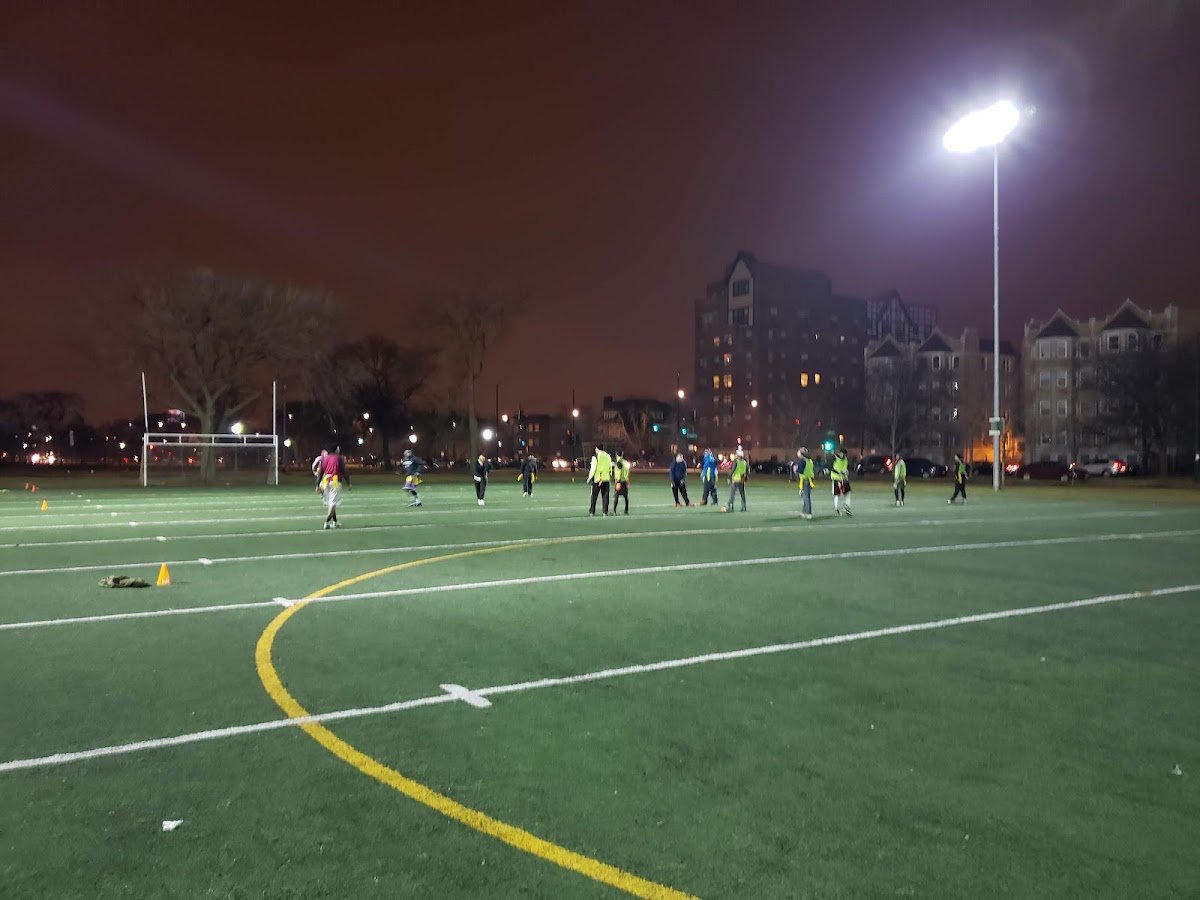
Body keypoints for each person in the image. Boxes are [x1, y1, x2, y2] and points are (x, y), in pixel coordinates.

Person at [315, 445, 349, 529]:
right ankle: (326, 522)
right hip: (335, 480)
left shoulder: (325, 458)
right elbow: (344, 471)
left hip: (325, 480)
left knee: (331, 502)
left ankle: (335, 522)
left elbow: (321, 472)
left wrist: (317, 485)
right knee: (332, 503)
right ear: (336, 450)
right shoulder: (339, 458)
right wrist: (348, 482)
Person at [587, 443, 613, 516]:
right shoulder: (608, 456)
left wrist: (589, 478)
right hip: (606, 478)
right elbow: (610, 467)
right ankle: (605, 512)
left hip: (597, 479)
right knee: (605, 496)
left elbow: (593, 468)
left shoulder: (595, 457)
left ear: (597, 449)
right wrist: (610, 475)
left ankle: (592, 511)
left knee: (594, 496)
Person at [830, 447, 853, 516]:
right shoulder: (834, 458)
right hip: (836, 479)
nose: (844, 455)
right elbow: (830, 467)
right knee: (837, 494)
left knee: (848, 493)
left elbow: (846, 467)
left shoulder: (845, 459)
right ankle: (836, 508)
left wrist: (846, 471)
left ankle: (847, 507)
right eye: (843, 454)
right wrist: (838, 472)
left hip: (844, 478)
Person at [795, 447, 815, 519]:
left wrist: (795, 469)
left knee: (806, 497)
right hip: (810, 480)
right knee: (806, 496)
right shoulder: (809, 460)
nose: (797, 453)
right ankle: (804, 512)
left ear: (802, 454)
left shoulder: (802, 461)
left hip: (805, 480)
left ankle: (808, 513)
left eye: (798, 452)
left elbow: (800, 471)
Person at [726, 447, 748, 511]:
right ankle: (744, 506)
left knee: (732, 493)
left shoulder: (736, 462)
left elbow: (732, 470)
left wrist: (729, 477)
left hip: (735, 479)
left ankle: (730, 506)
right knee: (742, 493)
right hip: (742, 479)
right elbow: (747, 471)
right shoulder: (744, 462)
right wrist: (745, 478)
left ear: (738, 455)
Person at [613, 449, 631, 514]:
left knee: (616, 496)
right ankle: (626, 510)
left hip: (619, 481)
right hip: (624, 481)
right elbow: (627, 472)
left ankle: (614, 510)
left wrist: (617, 481)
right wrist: (628, 481)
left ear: (616, 455)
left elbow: (619, 472)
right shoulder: (626, 462)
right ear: (622, 455)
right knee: (626, 497)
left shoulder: (618, 462)